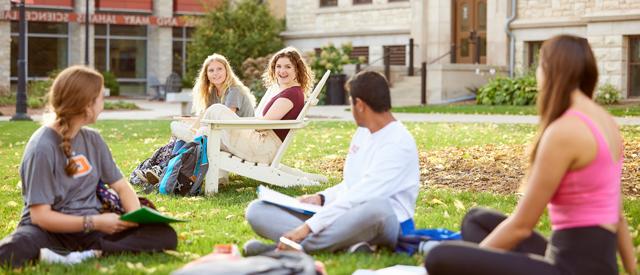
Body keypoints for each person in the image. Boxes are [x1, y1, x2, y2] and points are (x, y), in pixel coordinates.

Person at [424, 35, 637, 275]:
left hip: (569, 269)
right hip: (590, 263)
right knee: (476, 220)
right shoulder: (605, 121)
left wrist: (469, 263)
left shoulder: (564, 131)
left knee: (439, 257)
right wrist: (632, 270)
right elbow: (616, 215)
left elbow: (522, 226)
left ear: (550, 70)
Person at [0, 66, 178, 268]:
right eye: (101, 98)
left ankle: (86, 253)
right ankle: (77, 251)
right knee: (11, 250)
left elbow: (121, 186)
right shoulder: (42, 146)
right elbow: (40, 216)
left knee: (165, 235)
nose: (103, 103)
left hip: (93, 230)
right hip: (49, 231)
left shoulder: (93, 140)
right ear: (86, 105)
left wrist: (133, 218)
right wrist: (94, 222)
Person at [243, 71, 420, 255]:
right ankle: (348, 246)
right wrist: (321, 198)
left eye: (350, 103)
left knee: (378, 208)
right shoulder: (364, 132)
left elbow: (363, 195)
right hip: (342, 215)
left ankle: (287, 249)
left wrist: (306, 228)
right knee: (257, 210)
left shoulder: (398, 143)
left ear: (359, 105)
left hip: (381, 219)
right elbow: (352, 185)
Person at [199, 46, 314, 164]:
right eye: (278, 66)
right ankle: (218, 177)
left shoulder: (292, 94)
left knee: (216, 110)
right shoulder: (291, 92)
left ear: (297, 70)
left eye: (288, 67)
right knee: (209, 133)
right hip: (263, 145)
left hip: (264, 148)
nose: (282, 71)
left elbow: (262, 126)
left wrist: (238, 122)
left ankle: (192, 140)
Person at [170, 53, 256, 142]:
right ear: (206, 75)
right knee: (180, 128)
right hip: (224, 131)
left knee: (187, 133)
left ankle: (192, 136)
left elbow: (226, 119)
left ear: (227, 71)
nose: (216, 73)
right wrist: (192, 122)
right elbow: (206, 115)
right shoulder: (212, 92)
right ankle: (185, 141)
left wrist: (198, 128)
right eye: (211, 70)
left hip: (242, 135)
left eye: (220, 69)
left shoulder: (234, 90)